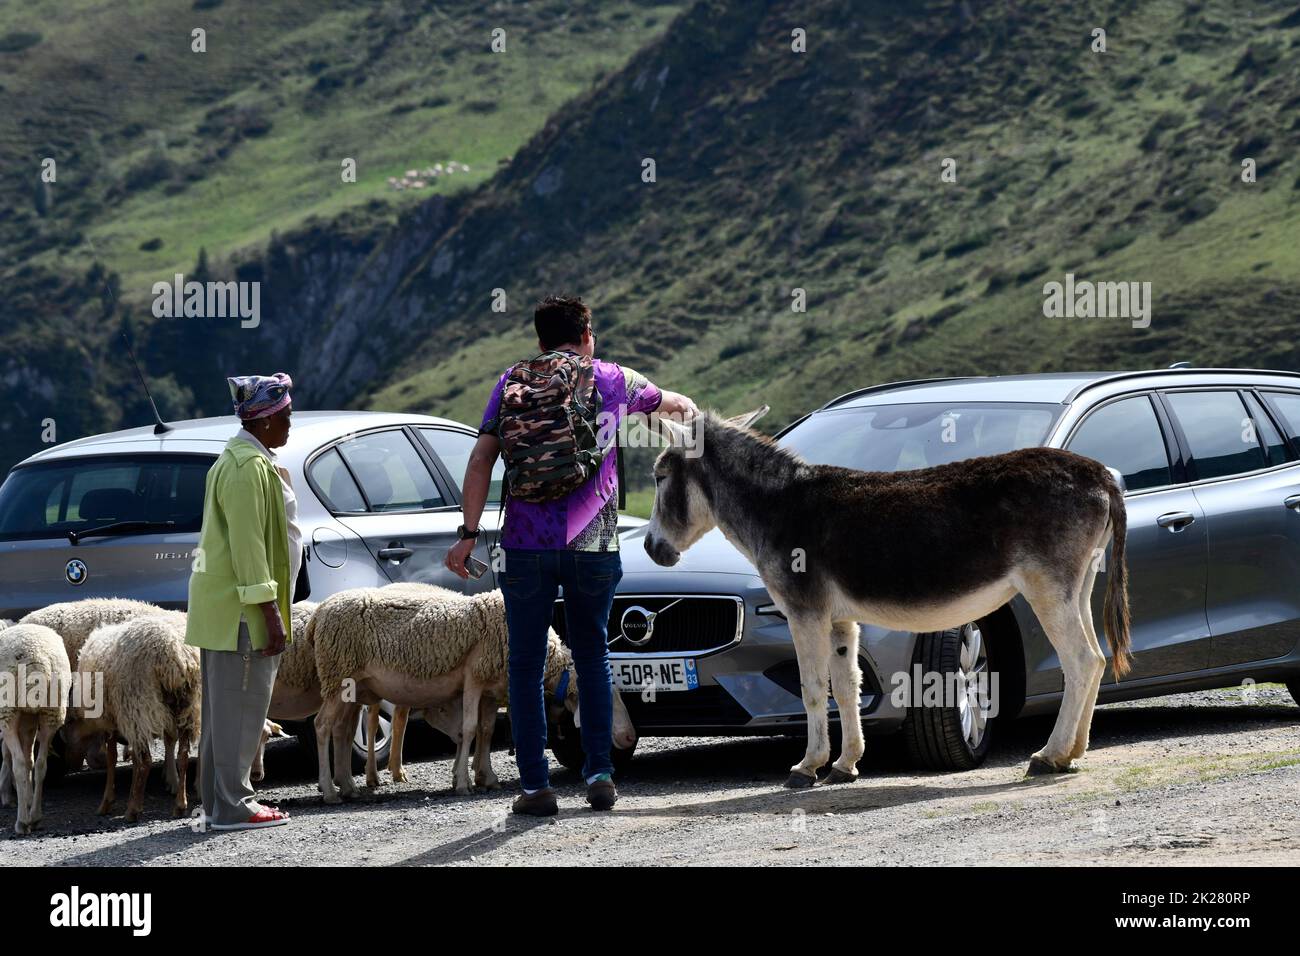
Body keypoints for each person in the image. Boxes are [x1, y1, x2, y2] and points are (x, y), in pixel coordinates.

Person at [446, 295, 697, 816]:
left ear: (540, 339)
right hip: (594, 543)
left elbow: (479, 460)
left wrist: (468, 533)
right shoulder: (612, 378)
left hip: (525, 544)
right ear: (586, 333)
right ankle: (600, 775)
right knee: (593, 656)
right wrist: (685, 419)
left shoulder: (511, 380)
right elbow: (675, 408)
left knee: (524, 662)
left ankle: (535, 788)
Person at [186, 373, 301, 831]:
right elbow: (248, 545)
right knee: (241, 705)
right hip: (242, 610)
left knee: (226, 710)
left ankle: (220, 802)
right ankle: (234, 804)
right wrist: (268, 610)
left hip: (233, 606)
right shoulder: (244, 467)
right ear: (264, 420)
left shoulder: (247, 459)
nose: (290, 425)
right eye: (285, 417)